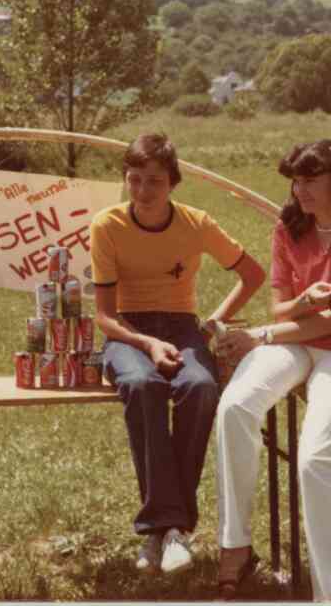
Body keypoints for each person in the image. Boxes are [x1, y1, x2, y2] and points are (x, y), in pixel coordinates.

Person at [215, 140, 331, 602]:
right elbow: (280, 307)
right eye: (295, 181)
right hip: (296, 338)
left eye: (310, 180)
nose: (300, 190)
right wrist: (303, 300)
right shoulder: (288, 228)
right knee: (235, 405)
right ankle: (235, 543)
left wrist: (263, 335)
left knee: (315, 458)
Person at [90, 133, 265, 574]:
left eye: (155, 181)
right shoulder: (107, 225)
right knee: (140, 382)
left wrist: (209, 324)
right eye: (135, 180)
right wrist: (147, 343)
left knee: (201, 387)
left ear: (173, 183)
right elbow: (106, 318)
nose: (144, 191)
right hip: (129, 331)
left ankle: (166, 530)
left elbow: (253, 274)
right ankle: (167, 529)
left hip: (183, 326)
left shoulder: (196, 223)